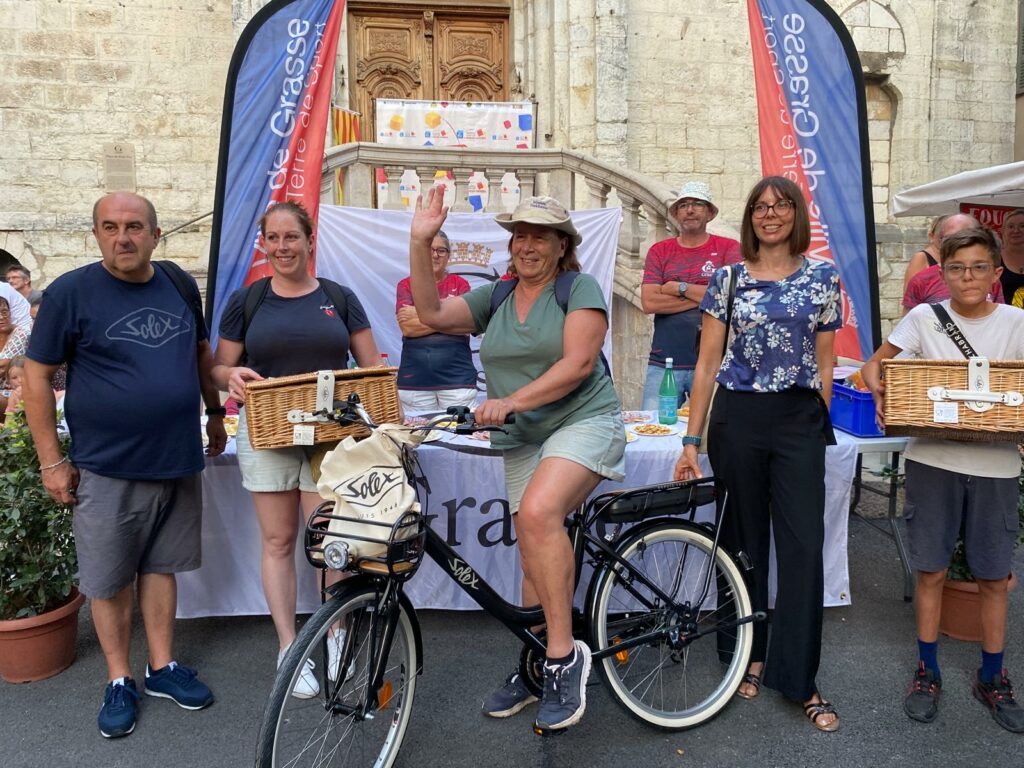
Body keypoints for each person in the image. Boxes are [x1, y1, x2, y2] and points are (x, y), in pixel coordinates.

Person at [409, 188, 624, 732]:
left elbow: (578, 365)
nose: (527, 245)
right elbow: (431, 312)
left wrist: (510, 402)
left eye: (540, 236)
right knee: (533, 554)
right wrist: (420, 239)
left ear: (561, 246)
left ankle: (562, 656)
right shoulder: (499, 295)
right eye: (519, 235)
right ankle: (535, 668)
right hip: (524, 437)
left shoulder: (580, 289)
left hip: (583, 422)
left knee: (536, 516)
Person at [22, 192, 225, 739]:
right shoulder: (71, 293)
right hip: (107, 467)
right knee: (109, 580)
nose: (123, 237)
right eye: (109, 227)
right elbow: (35, 376)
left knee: (160, 567)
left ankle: (161, 667)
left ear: (156, 234)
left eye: (135, 226)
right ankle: (119, 678)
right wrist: (51, 462)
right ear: (96, 235)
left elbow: (200, 357)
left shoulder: (180, 284)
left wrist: (214, 414)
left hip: (175, 458)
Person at [673, 176, 842, 731]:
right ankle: (748, 655)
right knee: (743, 543)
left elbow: (824, 364)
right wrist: (691, 441)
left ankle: (800, 678)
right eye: (761, 207)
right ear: (750, 217)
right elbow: (705, 364)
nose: (770, 214)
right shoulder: (727, 278)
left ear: (796, 213)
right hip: (737, 419)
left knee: (802, 547)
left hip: (797, 420)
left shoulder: (822, 277)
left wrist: (815, 421)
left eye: (781, 205)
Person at [211, 201, 382, 698]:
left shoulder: (338, 296)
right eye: (274, 239)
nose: (282, 247)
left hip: (328, 438)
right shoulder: (248, 301)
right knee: (279, 542)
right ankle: (289, 645)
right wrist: (231, 377)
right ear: (263, 244)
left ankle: (335, 632)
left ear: (310, 242)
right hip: (265, 433)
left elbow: (370, 367)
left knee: (328, 541)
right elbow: (220, 369)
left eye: (292, 238)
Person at [862, 227, 1024, 733]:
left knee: (994, 577)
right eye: (956, 268)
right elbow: (874, 367)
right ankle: (927, 670)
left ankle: (992, 676)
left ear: (996, 274)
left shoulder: (1018, 323)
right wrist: (880, 394)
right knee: (930, 570)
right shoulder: (923, 318)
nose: (968, 277)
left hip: (998, 465)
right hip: (932, 461)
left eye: (978, 267)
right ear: (942, 274)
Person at [640, 181, 741, 409]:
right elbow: (649, 301)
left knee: (710, 438)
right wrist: (709, 296)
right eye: (684, 205)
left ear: (710, 213)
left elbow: (732, 298)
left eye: (697, 204)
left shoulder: (729, 248)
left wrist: (679, 287)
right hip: (664, 362)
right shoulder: (660, 250)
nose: (690, 210)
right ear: (676, 213)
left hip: (714, 363)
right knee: (656, 431)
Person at [394, 229, 478, 410]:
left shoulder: (460, 284)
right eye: (430, 250)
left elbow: (466, 325)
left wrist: (420, 313)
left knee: (462, 435)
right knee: (418, 437)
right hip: (415, 382)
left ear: (448, 256)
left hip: (457, 380)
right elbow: (408, 328)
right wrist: (449, 314)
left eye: (441, 250)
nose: (435, 255)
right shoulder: (406, 285)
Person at [903, 213, 1003, 312]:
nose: (958, 243)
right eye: (949, 238)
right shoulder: (921, 280)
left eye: (965, 237)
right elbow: (908, 320)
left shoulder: (989, 277)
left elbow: (999, 316)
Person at [902, 215, 947, 291]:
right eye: (942, 237)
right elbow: (910, 293)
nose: (948, 240)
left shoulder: (951, 256)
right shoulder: (920, 258)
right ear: (931, 236)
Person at [998, 208, 1024, 307]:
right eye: (1010, 226)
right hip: (1005, 319)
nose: (1016, 230)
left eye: (1022, 226)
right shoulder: (994, 257)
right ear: (1003, 231)